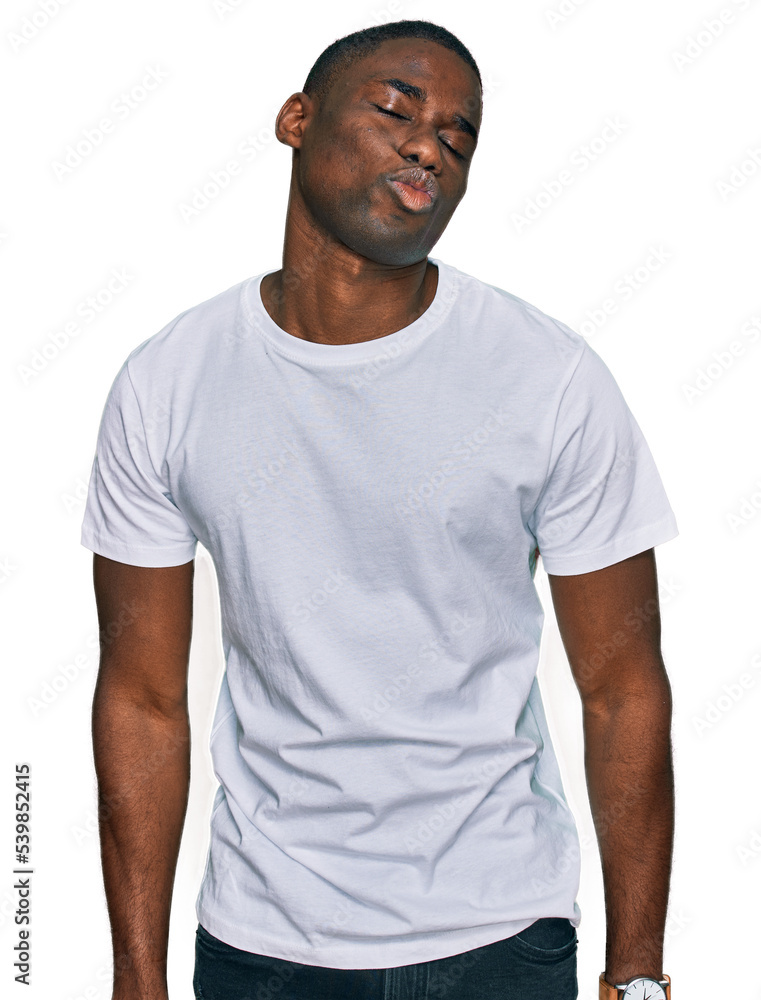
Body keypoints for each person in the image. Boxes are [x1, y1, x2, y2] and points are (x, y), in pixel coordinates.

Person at [81, 19, 677, 1000]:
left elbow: (622, 687)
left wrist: (638, 969)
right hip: (262, 942)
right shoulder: (169, 382)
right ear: (296, 119)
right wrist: (136, 976)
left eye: (456, 137)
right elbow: (141, 699)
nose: (427, 147)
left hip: (499, 936)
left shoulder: (546, 378)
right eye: (398, 109)